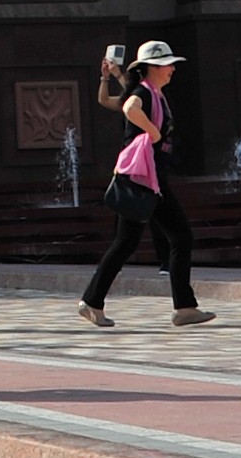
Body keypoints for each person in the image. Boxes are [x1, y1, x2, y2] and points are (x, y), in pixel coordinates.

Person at [74, 43, 212, 329]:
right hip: (144, 179)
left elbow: (128, 98)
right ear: (152, 67)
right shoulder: (144, 93)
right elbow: (128, 106)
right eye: (167, 64)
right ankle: (184, 307)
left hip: (147, 179)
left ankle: (94, 302)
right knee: (179, 237)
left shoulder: (154, 93)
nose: (172, 68)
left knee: (130, 242)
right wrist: (153, 132)